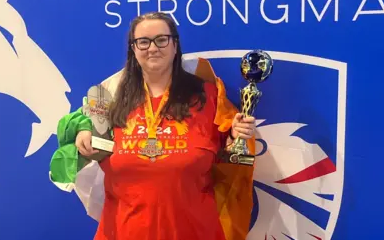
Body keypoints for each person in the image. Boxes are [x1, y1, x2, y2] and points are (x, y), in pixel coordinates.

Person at [75, 12, 257, 240]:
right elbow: (76, 126)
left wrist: (235, 135)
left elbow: (228, 158)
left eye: (161, 39)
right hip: (122, 232)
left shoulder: (207, 95)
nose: (152, 48)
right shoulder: (109, 97)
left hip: (194, 231)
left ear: (175, 44)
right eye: (143, 41)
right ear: (133, 48)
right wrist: (82, 129)